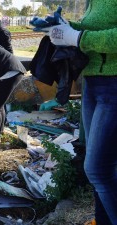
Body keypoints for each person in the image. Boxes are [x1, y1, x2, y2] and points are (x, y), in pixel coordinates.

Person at [44, 1, 117, 224]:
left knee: (96, 169)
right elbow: (96, 27)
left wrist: (76, 38)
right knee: (105, 169)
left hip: (113, 86)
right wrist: (62, 26)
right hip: (93, 83)